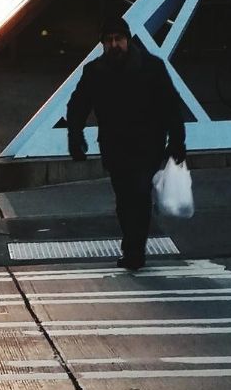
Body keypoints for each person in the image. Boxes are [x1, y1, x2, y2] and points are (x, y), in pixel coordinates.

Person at [67, 14, 186, 272]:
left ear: (128, 40)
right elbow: (78, 105)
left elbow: (171, 105)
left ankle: (134, 251)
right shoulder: (95, 72)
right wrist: (75, 135)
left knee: (139, 194)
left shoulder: (151, 67)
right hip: (115, 146)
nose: (113, 45)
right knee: (125, 200)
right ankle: (133, 246)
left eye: (118, 39)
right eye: (108, 40)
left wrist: (177, 141)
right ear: (103, 44)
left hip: (147, 144)